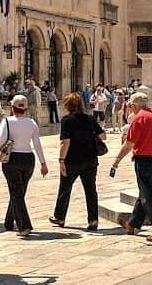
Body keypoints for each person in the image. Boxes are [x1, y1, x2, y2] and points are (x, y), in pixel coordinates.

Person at [111, 92, 152, 242]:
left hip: (144, 162)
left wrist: (116, 161)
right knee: (145, 193)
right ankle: (132, 224)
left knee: (150, 197)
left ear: (133, 105)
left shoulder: (139, 119)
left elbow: (129, 144)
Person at [49, 92, 106, 231]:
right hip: (90, 160)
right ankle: (93, 220)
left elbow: (65, 142)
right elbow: (103, 136)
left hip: (72, 160)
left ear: (68, 106)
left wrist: (61, 160)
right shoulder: (90, 118)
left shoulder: (67, 120)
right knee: (91, 190)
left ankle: (60, 217)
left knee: (65, 188)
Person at [0, 94, 48, 236]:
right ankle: (9, 221)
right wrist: (43, 163)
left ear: (12, 107)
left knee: (16, 192)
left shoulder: (7, 122)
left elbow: (1, 141)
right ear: (26, 109)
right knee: (19, 192)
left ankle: (24, 226)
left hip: (12, 159)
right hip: (28, 159)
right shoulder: (32, 123)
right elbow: (37, 144)